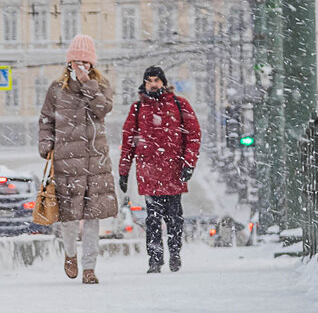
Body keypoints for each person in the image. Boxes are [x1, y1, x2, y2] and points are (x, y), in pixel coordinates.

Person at [38, 34, 118, 285]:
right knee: (70, 218)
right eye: (76, 61)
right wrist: (46, 144)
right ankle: (70, 254)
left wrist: (87, 84)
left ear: (92, 64)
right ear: (69, 63)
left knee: (92, 219)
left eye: (85, 61)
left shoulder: (100, 85)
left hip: (95, 163)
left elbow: (103, 109)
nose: (80, 66)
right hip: (67, 161)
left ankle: (90, 268)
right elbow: (45, 120)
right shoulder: (56, 89)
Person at [118, 66, 201, 273]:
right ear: (144, 83)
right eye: (149, 81)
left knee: (175, 218)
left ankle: (174, 254)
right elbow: (128, 141)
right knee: (153, 219)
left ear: (163, 82)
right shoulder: (137, 109)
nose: (153, 84)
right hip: (149, 173)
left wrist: (189, 164)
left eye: (156, 80)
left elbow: (193, 136)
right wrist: (123, 171)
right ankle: (155, 259)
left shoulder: (179, 105)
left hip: (173, 172)